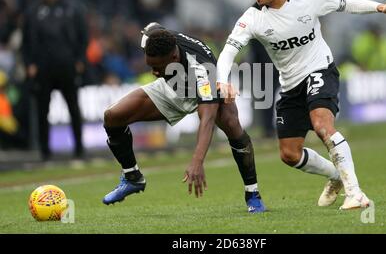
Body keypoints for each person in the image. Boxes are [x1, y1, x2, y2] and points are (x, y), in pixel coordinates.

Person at [216, 0, 386, 210]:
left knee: (322, 125)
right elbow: (228, 52)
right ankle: (335, 176)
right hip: (290, 86)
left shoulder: (308, 0)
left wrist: (380, 7)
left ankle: (356, 193)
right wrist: (222, 81)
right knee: (289, 154)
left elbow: (345, 4)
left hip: (321, 69)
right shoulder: (252, 18)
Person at [102, 23, 266, 213]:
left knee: (232, 125)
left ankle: (252, 194)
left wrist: (197, 161)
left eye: (157, 67)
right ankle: (132, 177)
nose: (153, 72)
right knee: (113, 117)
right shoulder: (154, 40)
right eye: (150, 66)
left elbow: (207, 120)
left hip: (207, 87)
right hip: (175, 87)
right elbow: (152, 28)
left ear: (173, 57)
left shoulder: (203, 70)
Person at [22, 0, 88, 161]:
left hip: (68, 66)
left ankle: (79, 149)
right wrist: (29, 64)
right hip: (42, 68)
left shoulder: (73, 9)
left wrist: (80, 60)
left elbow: (84, 37)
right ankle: (45, 152)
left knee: (74, 108)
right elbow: (25, 42)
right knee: (42, 111)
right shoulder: (33, 11)